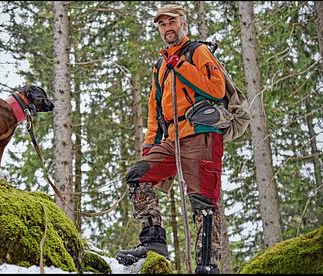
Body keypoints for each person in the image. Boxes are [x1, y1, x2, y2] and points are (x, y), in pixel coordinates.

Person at [115, 4, 225, 274]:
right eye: (162, 24)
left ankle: (207, 263)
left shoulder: (197, 51)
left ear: (183, 23)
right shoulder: (160, 65)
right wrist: (150, 144)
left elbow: (216, 88)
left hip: (201, 134)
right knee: (138, 175)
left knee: (203, 200)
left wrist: (181, 65)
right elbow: (155, 110)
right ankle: (153, 242)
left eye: (172, 22)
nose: (168, 28)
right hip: (171, 140)